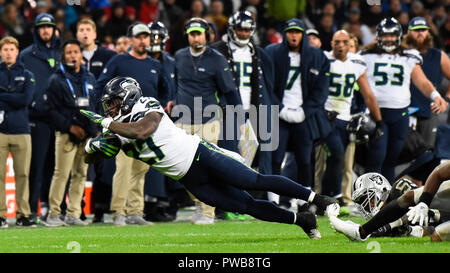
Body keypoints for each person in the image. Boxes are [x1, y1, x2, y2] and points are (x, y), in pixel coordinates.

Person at [81, 76, 338, 239]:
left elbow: (141, 131)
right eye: (108, 105)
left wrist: (106, 124)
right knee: (244, 206)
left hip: (200, 155)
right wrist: (91, 150)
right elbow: (94, 157)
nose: (110, 109)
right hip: (190, 179)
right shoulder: (114, 128)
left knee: (253, 181)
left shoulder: (145, 105)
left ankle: (317, 198)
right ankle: (301, 219)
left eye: (114, 102)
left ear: (128, 97)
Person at [95, 22, 172, 226]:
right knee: (123, 167)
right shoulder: (118, 61)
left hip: (146, 126)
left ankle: (135, 211)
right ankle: (119, 211)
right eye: (138, 37)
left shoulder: (155, 65)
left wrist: (163, 107)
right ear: (130, 40)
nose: (143, 40)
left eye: (146, 37)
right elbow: (100, 87)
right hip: (123, 123)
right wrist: (105, 117)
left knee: (141, 168)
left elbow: (167, 90)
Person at [173, 17, 242, 224]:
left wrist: (240, 118)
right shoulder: (179, 56)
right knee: (180, 168)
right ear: (187, 36)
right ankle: (199, 202)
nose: (195, 38)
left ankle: (207, 212)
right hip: (183, 120)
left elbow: (230, 90)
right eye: (192, 34)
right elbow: (173, 83)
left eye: (199, 34)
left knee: (208, 168)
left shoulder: (217, 59)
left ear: (207, 35)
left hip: (208, 120)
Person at [360, 18, 447, 183]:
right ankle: (366, 196)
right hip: (376, 112)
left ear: (399, 36)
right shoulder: (366, 55)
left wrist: (436, 95)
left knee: (392, 157)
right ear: (377, 36)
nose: (388, 39)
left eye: (392, 35)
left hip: (400, 114)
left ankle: (383, 199)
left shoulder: (408, 56)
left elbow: (422, 81)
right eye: (385, 35)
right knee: (377, 155)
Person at [210, 11, 276, 219]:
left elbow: (272, 83)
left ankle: (244, 203)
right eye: (241, 29)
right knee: (227, 158)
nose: (245, 33)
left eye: (248, 29)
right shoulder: (218, 51)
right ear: (232, 29)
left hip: (254, 111)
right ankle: (224, 205)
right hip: (229, 111)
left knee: (250, 160)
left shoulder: (259, 53)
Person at [264, 18, 332, 210]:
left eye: (297, 32)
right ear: (285, 34)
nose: (294, 35)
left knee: (305, 159)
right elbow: (266, 85)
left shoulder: (317, 56)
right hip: (280, 114)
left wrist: (305, 110)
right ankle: (274, 201)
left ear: (303, 34)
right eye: (290, 32)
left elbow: (321, 89)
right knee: (275, 158)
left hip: (303, 115)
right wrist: (280, 108)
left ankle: (304, 201)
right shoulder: (272, 53)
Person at [319, 30, 383, 207]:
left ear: (349, 44)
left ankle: (328, 198)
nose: (340, 45)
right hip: (324, 116)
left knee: (338, 159)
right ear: (331, 43)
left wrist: (378, 121)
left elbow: (368, 95)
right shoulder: (323, 59)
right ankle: (328, 196)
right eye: (337, 42)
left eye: (344, 42)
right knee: (329, 156)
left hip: (345, 118)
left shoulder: (356, 63)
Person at [45, 40, 98, 227]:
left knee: (81, 174)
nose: (73, 55)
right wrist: (70, 126)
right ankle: (53, 214)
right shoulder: (56, 80)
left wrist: (94, 130)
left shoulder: (89, 78)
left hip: (87, 135)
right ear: (63, 56)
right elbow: (51, 110)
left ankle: (74, 213)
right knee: (61, 173)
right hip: (67, 134)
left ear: (80, 55)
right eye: (69, 52)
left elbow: (94, 105)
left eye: (76, 52)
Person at [328, 161, 450, 242]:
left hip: (440, 214)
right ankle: (362, 231)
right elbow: (438, 173)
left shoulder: (398, 188)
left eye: (367, 199)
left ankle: (361, 232)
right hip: (437, 210)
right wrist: (423, 203)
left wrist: (393, 226)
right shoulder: (399, 195)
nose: (367, 205)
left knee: (436, 234)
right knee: (436, 236)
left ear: (381, 189)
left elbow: (411, 223)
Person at [19, 13, 61, 223]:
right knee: (36, 166)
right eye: (42, 27)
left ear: (55, 29)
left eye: (49, 26)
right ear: (36, 30)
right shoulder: (26, 55)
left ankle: (53, 209)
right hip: (37, 118)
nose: (46, 30)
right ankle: (31, 209)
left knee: (59, 167)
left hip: (60, 119)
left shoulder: (63, 52)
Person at [76, 18, 117, 223]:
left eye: (88, 30)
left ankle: (100, 210)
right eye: (81, 30)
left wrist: (107, 118)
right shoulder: (71, 54)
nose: (84, 33)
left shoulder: (108, 56)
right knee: (78, 169)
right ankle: (78, 209)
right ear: (77, 34)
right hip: (79, 121)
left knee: (102, 168)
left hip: (102, 120)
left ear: (94, 34)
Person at [0, 36, 36, 228]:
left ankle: (23, 214)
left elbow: (26, 99)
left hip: (22, 130)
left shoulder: (27, 73)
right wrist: (15, 97)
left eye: (11, 49)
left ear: (17, 51)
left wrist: (3, 97)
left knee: (23, 173)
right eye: (5, 49)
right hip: (1, 131)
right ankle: (0, 215)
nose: (8, 52)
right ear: (1, 52)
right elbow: (20, 98)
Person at [143, 21, 177, 222]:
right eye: (151, 36)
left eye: (157, 36)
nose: (154, 41)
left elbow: (176, 89)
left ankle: (166, 203)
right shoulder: (139, 60)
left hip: (170, 120)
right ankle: (149, 205)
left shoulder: (172, 62)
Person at [404, 17, 450, 150]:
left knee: (427, 154)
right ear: (409, 32)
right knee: (400, 153)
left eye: (423, 30)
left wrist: (446, 99)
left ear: (428, 32)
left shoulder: (438, 55)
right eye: (416, 30)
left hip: (428, 111)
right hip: (402, 111)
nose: (420, 33)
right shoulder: (401, 54)